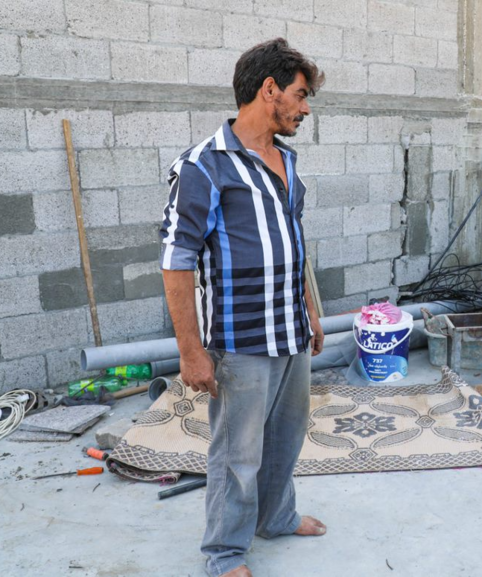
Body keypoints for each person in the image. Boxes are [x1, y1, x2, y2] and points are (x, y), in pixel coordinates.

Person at [159, 38, 326, 577]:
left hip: (291, 330)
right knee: (237, 452)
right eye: (300, 95)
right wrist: (191, 352)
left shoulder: (288, 162)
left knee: (286, 434)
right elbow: (176, 261)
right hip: (240, 340)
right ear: (268, 89)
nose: (305, 108)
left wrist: (311, 311)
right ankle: (225, 553)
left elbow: (292, 244)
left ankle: (275, 517)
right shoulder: (203, 168)